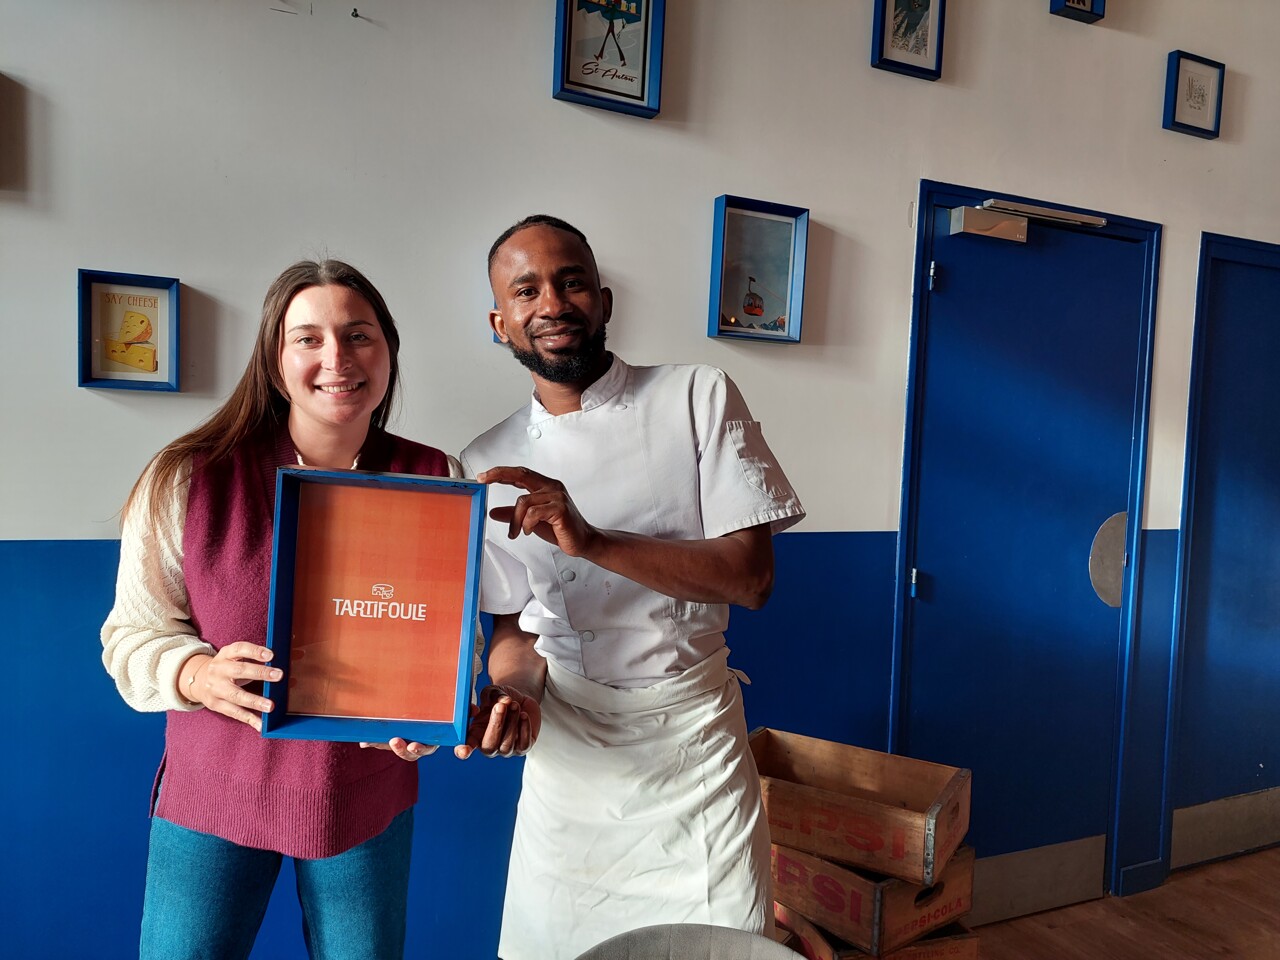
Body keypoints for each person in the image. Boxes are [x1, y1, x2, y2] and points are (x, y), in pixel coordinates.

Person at [457, 215, 805, 960]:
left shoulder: (696, 397)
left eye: (571, 281)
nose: (552, 302)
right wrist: (515, 693)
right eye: (527, 290)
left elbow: (752, 578)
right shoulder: (488, 458)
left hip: (694, 748)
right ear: (500, 322)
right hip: (570, 759)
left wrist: (592, 542)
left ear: (604, 302)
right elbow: (517, 627)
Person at [101, 259, 461, 960]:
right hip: (213, 793)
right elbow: (130, 634)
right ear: (273, 360)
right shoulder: (188, 475)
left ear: (387, 351)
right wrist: (193, 674)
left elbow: (451, 634)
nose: (338, 358)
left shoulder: (433, 476)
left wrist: (435, 710)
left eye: (359, 336)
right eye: (309, 339)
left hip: (362, 797)